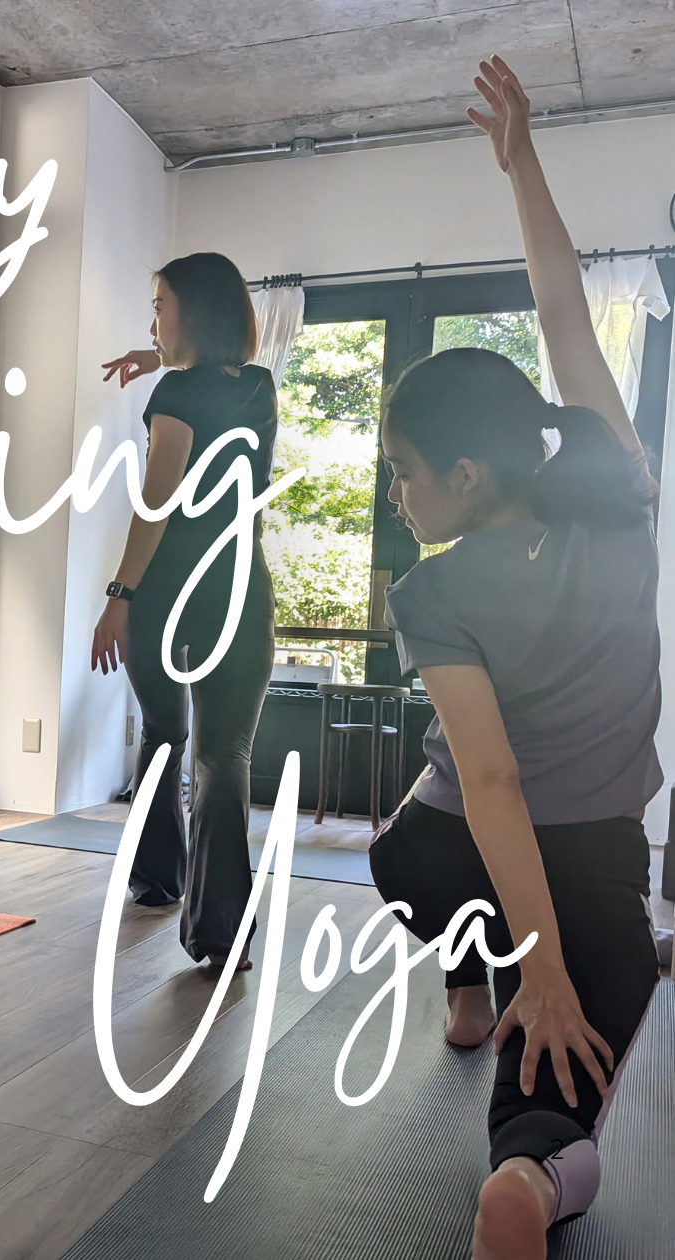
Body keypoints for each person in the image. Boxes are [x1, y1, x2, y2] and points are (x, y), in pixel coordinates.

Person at [370, 58, 661, 1260]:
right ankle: (531, 1171)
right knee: (563, 1066)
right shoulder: (621, 502)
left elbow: (488, 778)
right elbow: (562, 317)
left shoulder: (433, 590)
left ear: (464, 475)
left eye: (402, 474)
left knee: (441, 863)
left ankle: (475, 990)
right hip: (588, 851)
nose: (396, 496)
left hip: (442, 845)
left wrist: (528, 965)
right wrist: (522, 162)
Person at [95, 253, 278, 967]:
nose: (153, 321)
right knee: (223, 756)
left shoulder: (174, 394)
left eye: (159, 307)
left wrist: (118, 597)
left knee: (165, 734)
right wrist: (158, 357)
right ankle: (221, 932)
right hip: (238, 591)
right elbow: (211, 384)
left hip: (166, 592)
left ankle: (156, 878)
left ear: (191, 314)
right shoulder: (258, 387)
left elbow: (157, 501)